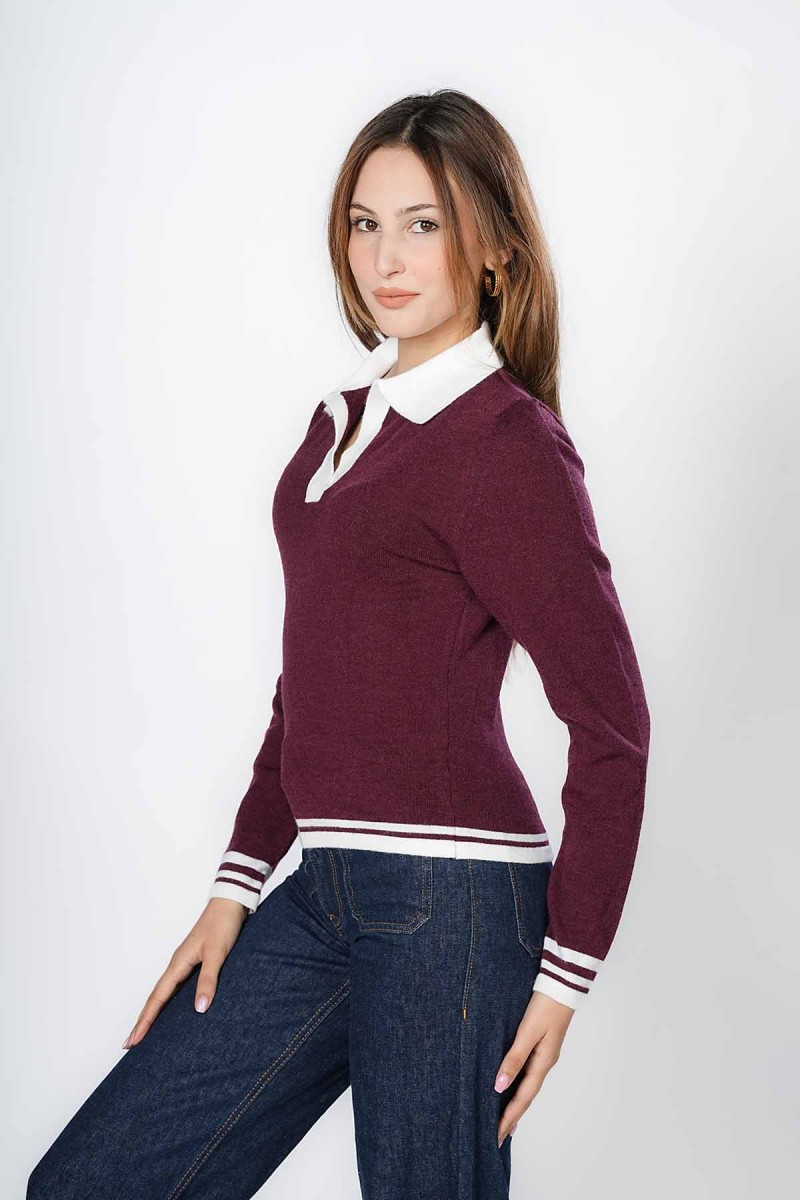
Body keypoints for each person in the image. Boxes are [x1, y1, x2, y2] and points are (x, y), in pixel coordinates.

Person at [27, 88, 651, 1199]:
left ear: (494, 249)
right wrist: (236, 883)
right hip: (322, 889)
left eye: (424, 223)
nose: (385, 257)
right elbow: (310, 684)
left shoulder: (507, 444)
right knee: (90, 1180)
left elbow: (612, 727)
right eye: (366, 223)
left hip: (455, 907)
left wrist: (565, 976)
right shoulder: (339, 427)